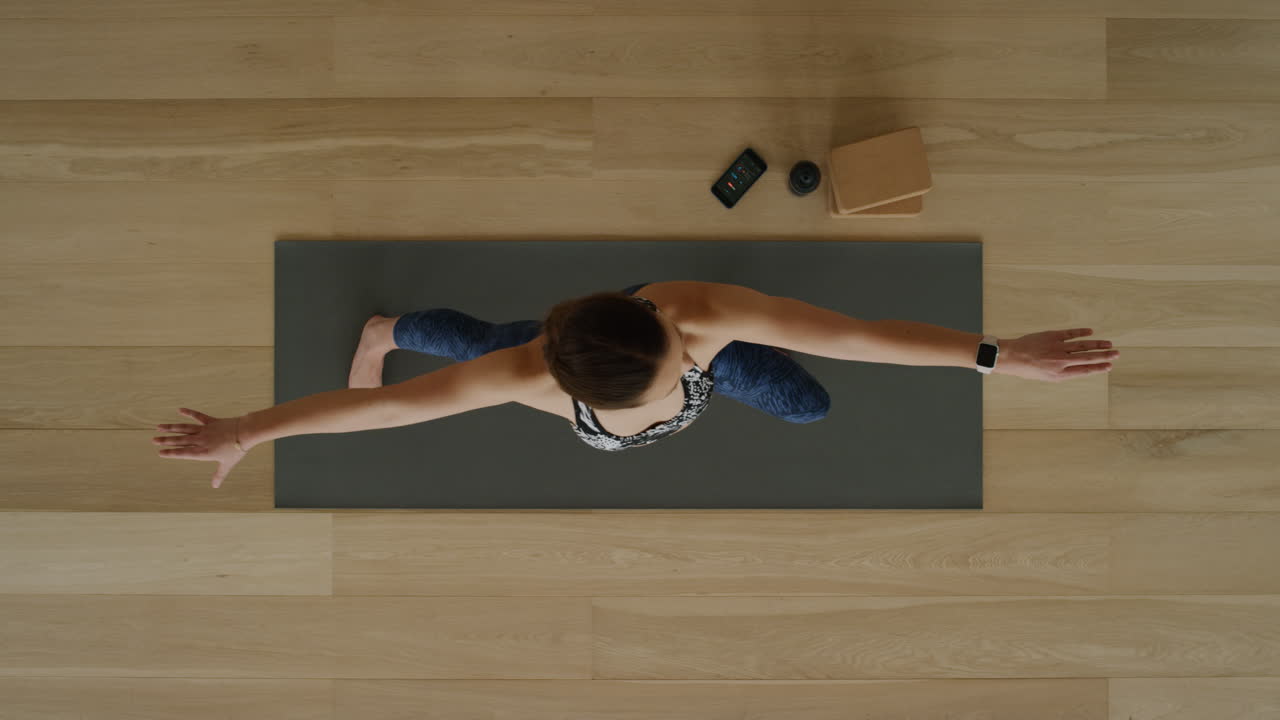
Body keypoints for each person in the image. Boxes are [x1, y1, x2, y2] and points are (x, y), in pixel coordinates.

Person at [153, 280, 1118, 488]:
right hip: (541, 362)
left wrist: (998, 355)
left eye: (673, 355)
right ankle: (386, 325)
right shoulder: (525, 372)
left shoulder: (698, 317)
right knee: (465, 341)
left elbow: (863, 337)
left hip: (658, 364)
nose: (679, 364)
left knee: (812, 398)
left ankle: (398, 327)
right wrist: (247, 428)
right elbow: (382, 412)